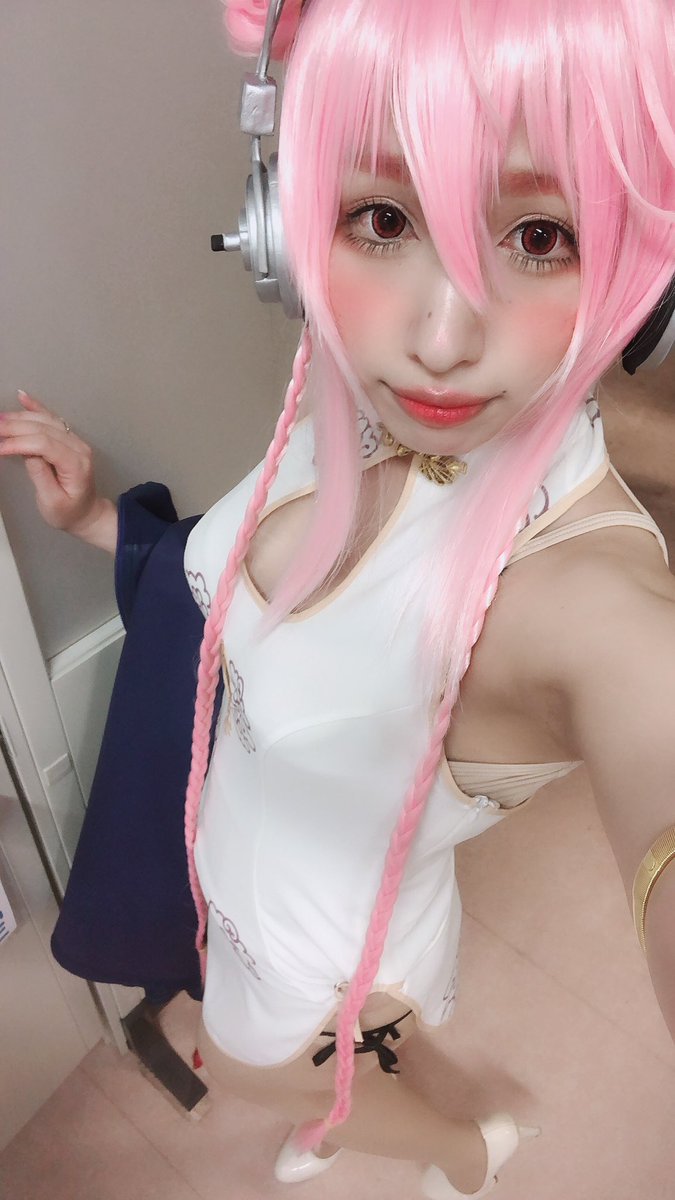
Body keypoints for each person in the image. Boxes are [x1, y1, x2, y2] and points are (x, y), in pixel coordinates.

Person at [3, 0, 675, 1195]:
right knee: (313, 1063)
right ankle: (353, 1099)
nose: (442, 336)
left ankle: (465, 1148)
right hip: (238, 889)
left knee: (249, 1065)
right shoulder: (351, 407)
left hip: (326, 949)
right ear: (284, 228)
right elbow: (230, 589)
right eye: (384, 218)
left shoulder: (581, 592)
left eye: (540, 235)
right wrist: (96, 520)